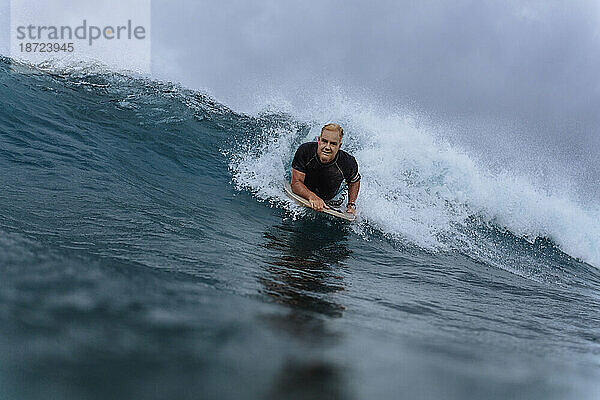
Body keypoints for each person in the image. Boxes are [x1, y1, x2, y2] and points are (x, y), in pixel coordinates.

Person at [290, 123, 361, 215]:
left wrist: (351, 205)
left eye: (333, 144)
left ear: (339, 146)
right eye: (324, 141)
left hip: (331, 198)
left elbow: (354, 181)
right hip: (306, 189)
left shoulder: (348, 162)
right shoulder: (305, 151)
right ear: (319, 140)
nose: (327, 147)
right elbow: (295, 184)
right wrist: (312, 197)